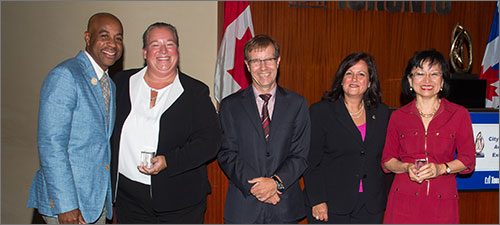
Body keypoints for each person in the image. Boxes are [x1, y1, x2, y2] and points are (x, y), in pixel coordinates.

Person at [110, 22, 221, 223]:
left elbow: (210, 143)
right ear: (144, 52)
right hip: (128, 200)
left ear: (177, 50)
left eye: (170, 44)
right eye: (155, 44)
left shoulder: (195, 92)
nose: (163, 51)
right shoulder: (121, 82)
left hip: (180, 201)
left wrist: (169, 161)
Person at [27, 12, 124, 224]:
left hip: (94, 201)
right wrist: (66, 205)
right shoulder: (66, 75)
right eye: (104, 36)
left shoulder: (110, 84)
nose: (113, 44)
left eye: (118, 38)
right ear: (88, 38)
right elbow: (51, 146)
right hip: (69, 204)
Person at [217, 34, 311, 223]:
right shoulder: (230, 105)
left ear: (278, 61)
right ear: (247, 64)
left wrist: (275, 183)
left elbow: (300, 155)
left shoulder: (297, 104)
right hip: (244, 208)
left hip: (284, 208)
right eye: (256, 61)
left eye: (268, 60)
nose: (263, 68)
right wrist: (259, 188)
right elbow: (226, 153)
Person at [381, 49, 476, 223]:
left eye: (434, 74)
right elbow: (387, 161)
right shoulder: (398, 116)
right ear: (410, 80)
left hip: (442, 201)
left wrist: (441, 168)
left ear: (442, 81)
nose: (427, 80)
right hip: (403, 200)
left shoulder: (459, 114)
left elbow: (468, 160)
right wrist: (406, 167)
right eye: (419, 73)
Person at [303, 52, 391, 224]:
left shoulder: (382, 113)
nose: (354, 79)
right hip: (330, 204)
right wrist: (317, 199)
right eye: (349, 73)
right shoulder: (321, 112)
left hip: (370, 205)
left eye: (361, 74)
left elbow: (384, 157)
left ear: (370, 82)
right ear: (341, 79)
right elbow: (311, 161)